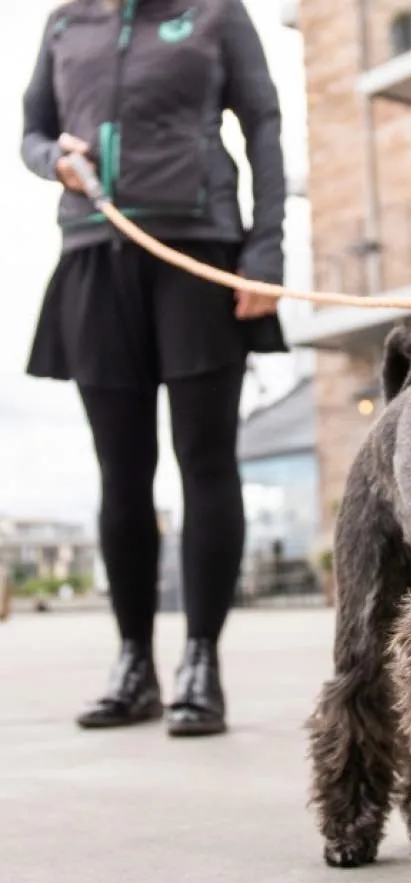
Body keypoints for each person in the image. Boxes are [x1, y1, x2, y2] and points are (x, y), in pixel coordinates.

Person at [21, 0, 287, 736]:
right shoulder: (65, 23)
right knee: (122, 472)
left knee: (206, 462)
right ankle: (132, 662)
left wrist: (264, 252)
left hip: (200, 252)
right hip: (93, 257)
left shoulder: (213, 13)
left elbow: (263, 122)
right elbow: (32, 133)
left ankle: (202, 662)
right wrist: (53, 161)